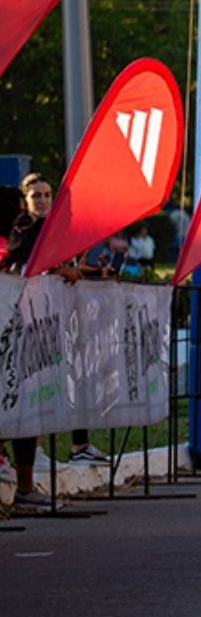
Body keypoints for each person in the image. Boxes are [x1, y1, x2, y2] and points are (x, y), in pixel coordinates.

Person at [5, 174, 106, 509]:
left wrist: (85, 272)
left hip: (43, 329)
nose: (41, 201)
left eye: (48, 195)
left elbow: (56, 268)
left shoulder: (56, 231)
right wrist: (63, 273)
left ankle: (37, 467)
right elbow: (23, 267)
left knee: (35, 396)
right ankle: (22, 476)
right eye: (34, 196)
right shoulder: (21, 231)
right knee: (17, 399)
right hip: (17, 327)